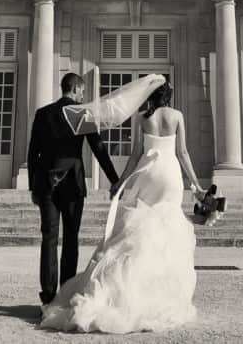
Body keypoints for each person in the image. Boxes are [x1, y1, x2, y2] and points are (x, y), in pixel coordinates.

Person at [40, 78, 204, 333]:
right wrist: (196, 186)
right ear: (168, 95)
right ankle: (155, 295)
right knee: (166, 229)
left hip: (148, 172)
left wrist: (121, 182)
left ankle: (113, 291)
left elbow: (136, 154)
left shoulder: (142, 118)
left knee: (136, 230)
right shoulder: (177, 116)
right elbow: (182, 153)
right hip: (170, 175)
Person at [27, 72, 122, 307]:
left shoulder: (43, 113)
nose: (83, 95)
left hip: (47, 184)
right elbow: (98, 148)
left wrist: (33, 186)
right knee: (71, 239)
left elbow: (32, 154)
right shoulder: (81, 112)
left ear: (63, 88)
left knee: (48, 239)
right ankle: (66, 295)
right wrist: (114, 179)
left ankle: (48, 297)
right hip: (73, 184)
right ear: (77, 89)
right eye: (82, 91)